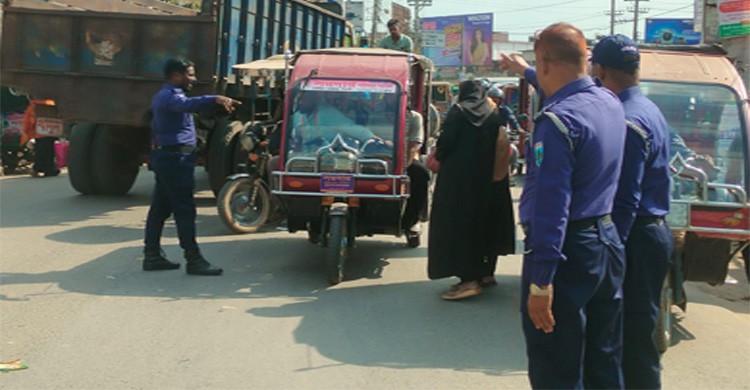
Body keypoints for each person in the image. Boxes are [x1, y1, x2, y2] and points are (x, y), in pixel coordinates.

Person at [502, 23, 627, 388]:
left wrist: (541, 282)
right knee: (603, 358)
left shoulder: (558, 121)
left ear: (545, 62)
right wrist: (523, 70)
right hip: (606, 243)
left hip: (569, 249)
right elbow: (560, 81)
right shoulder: (609, 102)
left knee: (556, 362)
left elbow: (551, 205)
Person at [590, 33, 673, 390]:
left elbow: (625, 199)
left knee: (632, 340)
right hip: (651, 232)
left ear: (600, 70)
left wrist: (612, 252)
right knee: (635, 334)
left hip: (635, 237)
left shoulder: (626, 120)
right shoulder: (647, 108)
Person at [144, 58, 240, 276]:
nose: (194, 79)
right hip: (175, 160)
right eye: (190, 73)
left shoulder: (166, 95)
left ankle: (152, 256)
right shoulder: (171, 97)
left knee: (160, 209)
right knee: (185, 210)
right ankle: (194, 260)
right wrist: (215, 98)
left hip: (170, 158)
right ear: (176, 76)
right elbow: (187, 105)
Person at [427, 80, 515, 300]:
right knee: (484, 225)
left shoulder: (459, 112)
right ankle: (485, 274)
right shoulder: (492, 113)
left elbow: (446, 144)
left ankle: (468, 281)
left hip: (458, 184)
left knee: (459, 228)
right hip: (489, 183)